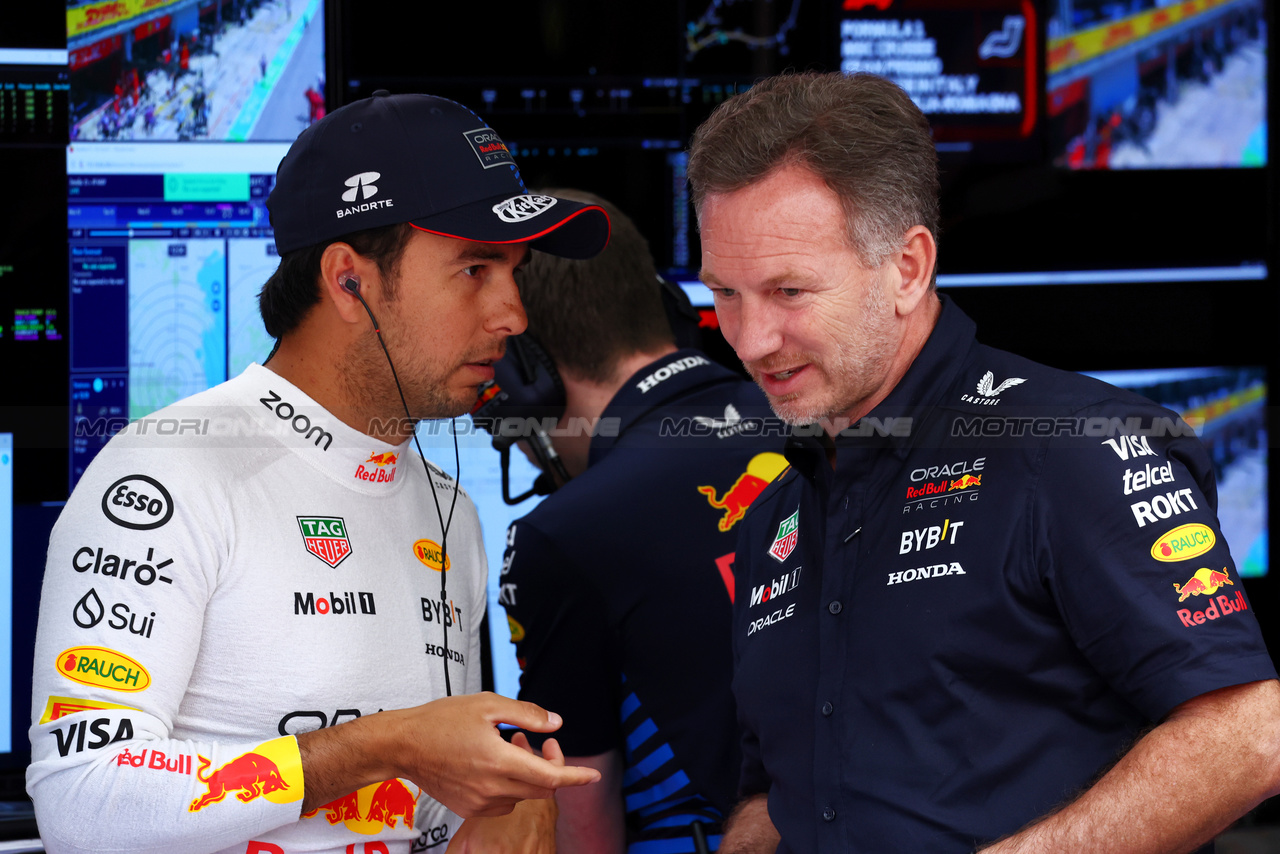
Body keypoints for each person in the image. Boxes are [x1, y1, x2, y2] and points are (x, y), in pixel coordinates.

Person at [686, 71, 1280, 854]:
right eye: (725, 292)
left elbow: (1247, 732)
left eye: (788, 290)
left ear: (906, 269)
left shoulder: (1067, 446)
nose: (749, 338)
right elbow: (784, 794)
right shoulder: (776, 514)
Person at [28, 91, 612, 854]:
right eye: (474, 269)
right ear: (348, 281)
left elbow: (428, 801)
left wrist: (513, 805)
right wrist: (382, 744)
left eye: (513, 270)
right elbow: (82, 804)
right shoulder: (167, 475)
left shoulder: (452, 513)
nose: (513, 314)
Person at [481, 190, 782, 853]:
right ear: (671, 311)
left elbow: (583, 832)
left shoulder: (562, 539)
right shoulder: (819, 423)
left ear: (528, 371)